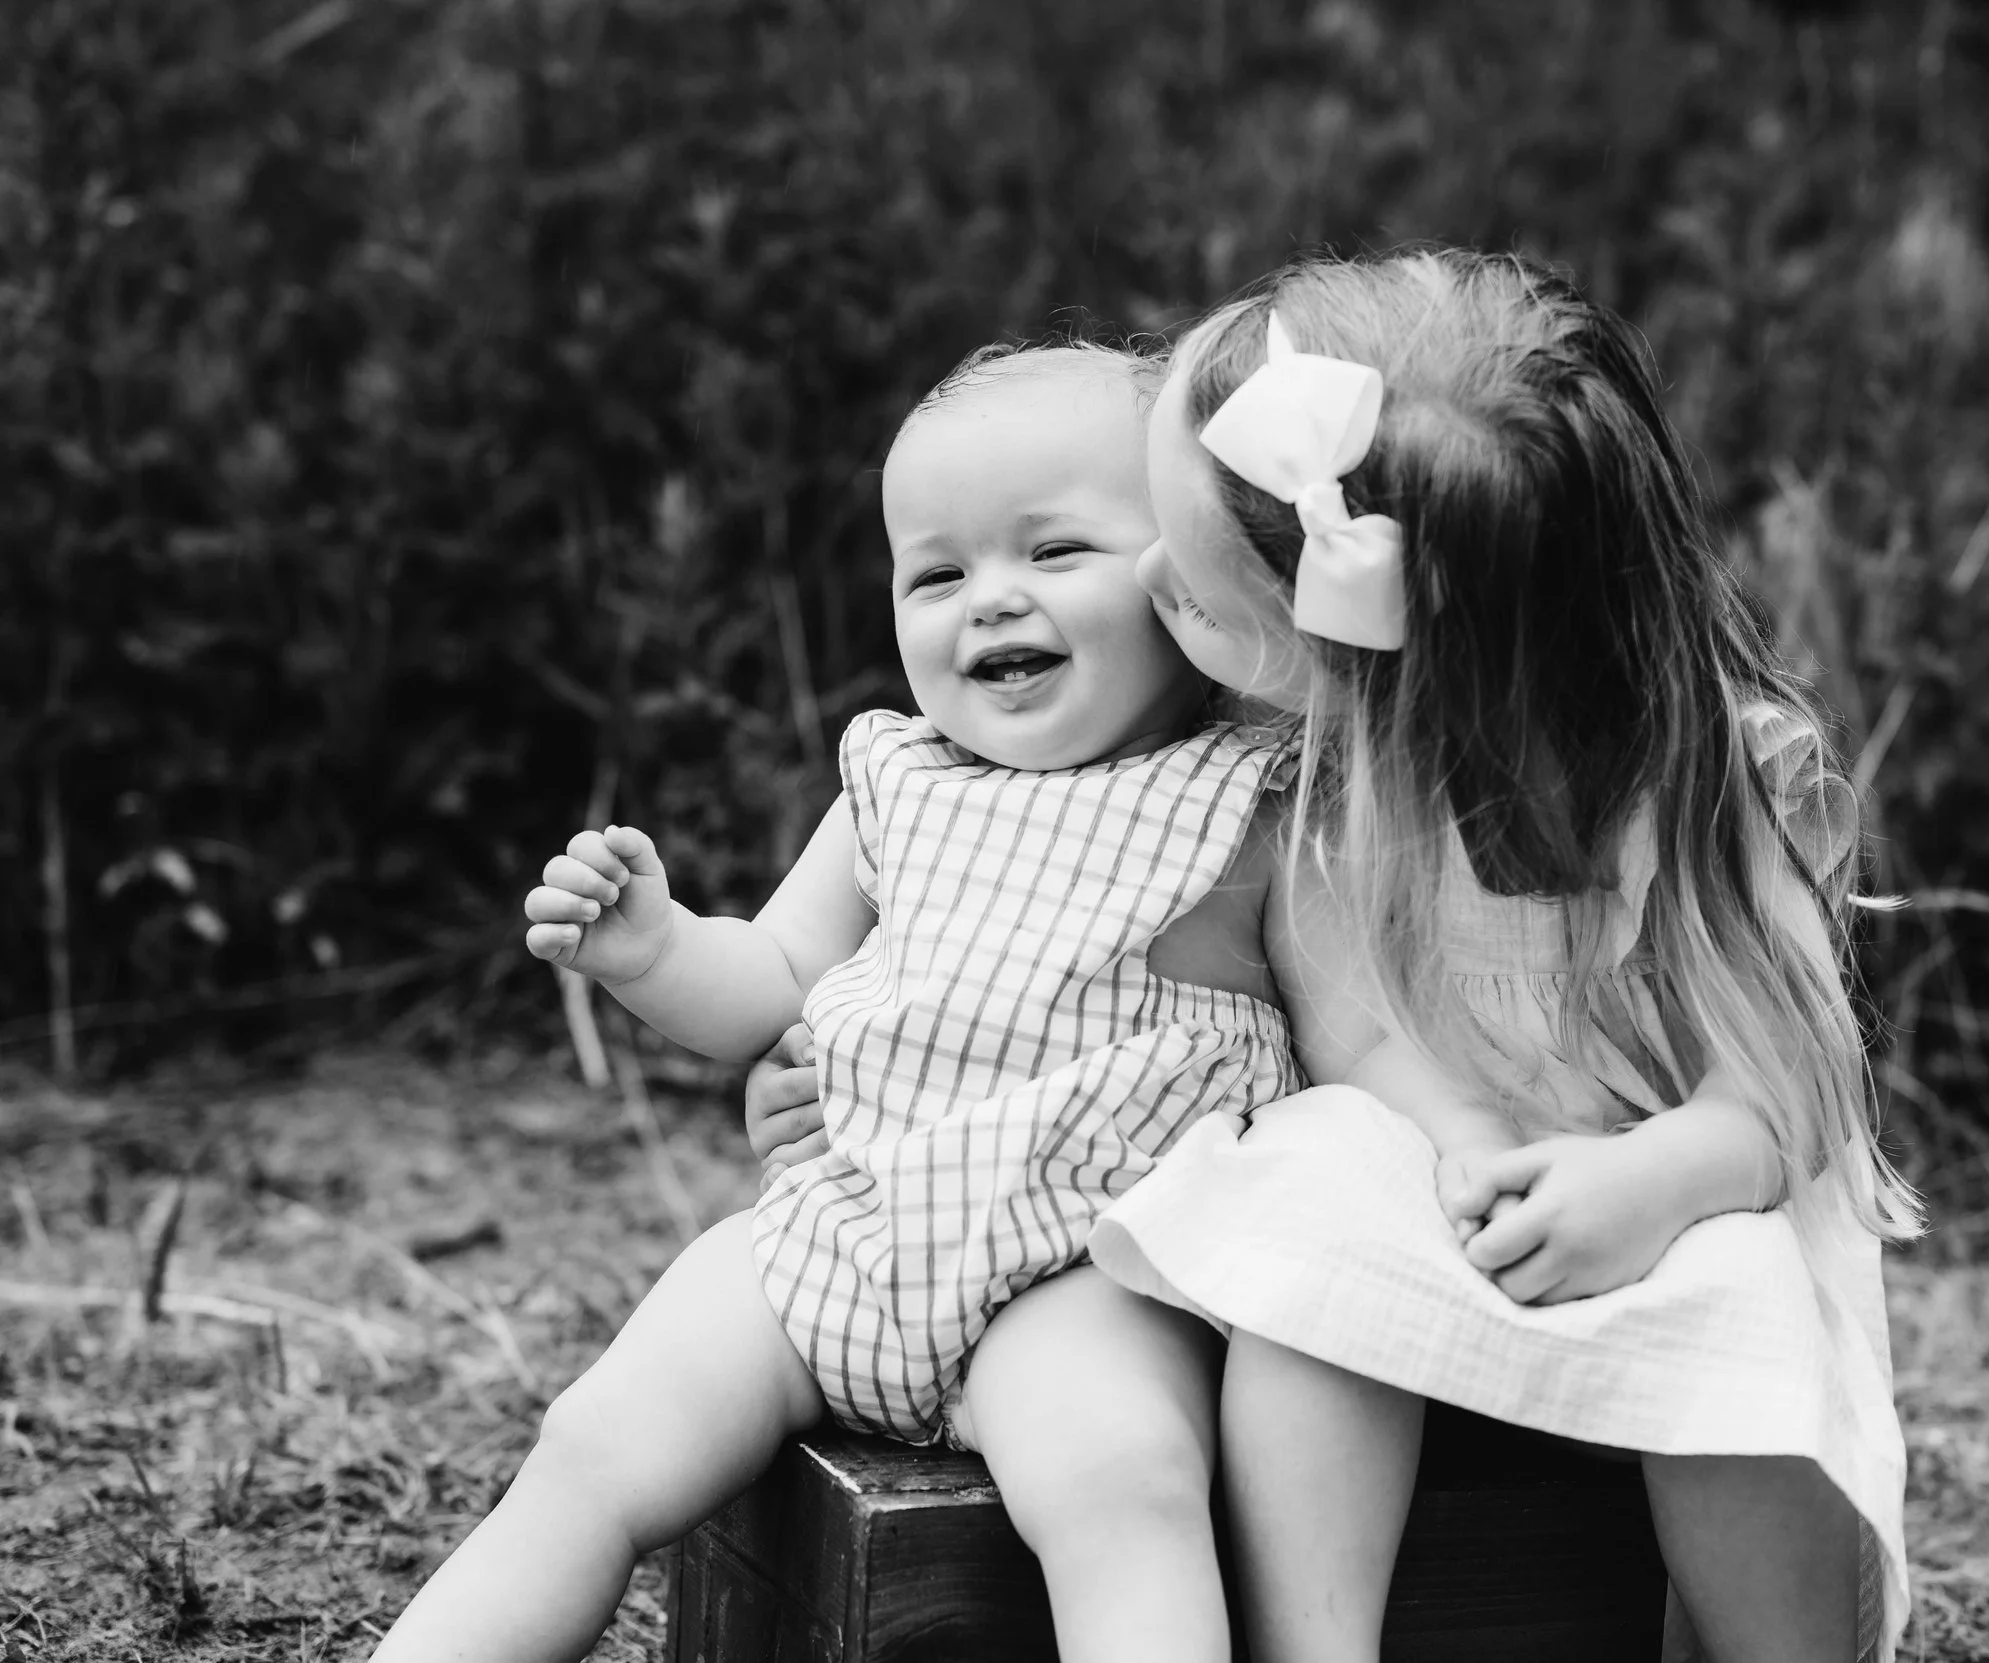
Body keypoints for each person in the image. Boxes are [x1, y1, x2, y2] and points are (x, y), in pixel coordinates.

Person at [371, 342, 1311, 1663]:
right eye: (939, 572)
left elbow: (1347, 1043)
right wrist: (653, 951)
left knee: (1126, 1481)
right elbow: (771, 981)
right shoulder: (897, 778)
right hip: (836, 1235)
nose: (988, 601)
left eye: (1053, 553)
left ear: (1192, 576)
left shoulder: (1257, 794)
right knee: (595, 1442)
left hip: (1080, 1274)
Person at [1098, 248, 1920, 1663]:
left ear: (1360, 651)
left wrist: (1653, 1177)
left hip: (1671, 1211)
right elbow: (1355, 1032)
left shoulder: (1720, 780)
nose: (1143, 577)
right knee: (1313, 1221)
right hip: (1445, 1177)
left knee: (1746, 1302)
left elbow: (1794, 1082)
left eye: (1194, 579)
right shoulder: (1316, 793)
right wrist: (1465, 1141)